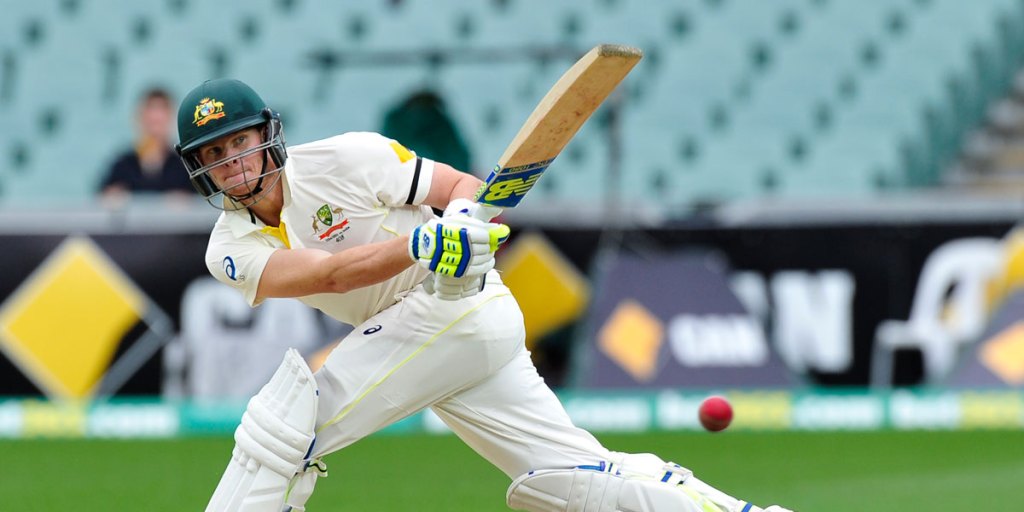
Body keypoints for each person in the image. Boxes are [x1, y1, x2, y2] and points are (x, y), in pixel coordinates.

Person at [175, 78, 795, 512]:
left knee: (287, 423)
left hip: (457, 309)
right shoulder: (228, 247)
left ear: (267, 135)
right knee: (570, 482)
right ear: (199, 169)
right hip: (433, 340)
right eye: (214, 154)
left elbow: (463, 187)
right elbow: (329, 276)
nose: (232, 162)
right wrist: (425, 243)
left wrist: (467, 223)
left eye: (239, 142)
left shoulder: (348, 157)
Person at [100, 87, 193, 200]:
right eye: (151, 123)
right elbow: (102, 199)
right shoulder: (122, 166)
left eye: (159, 123)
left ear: (170, 121)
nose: (154, 133)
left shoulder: (185, 167)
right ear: (139, 120)